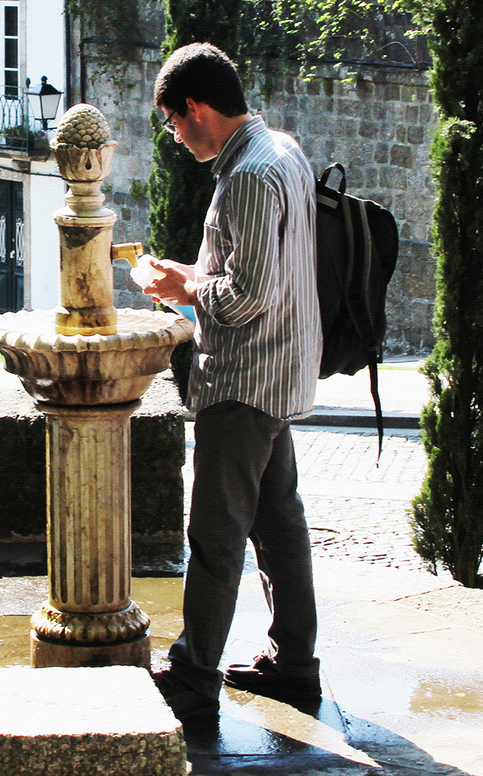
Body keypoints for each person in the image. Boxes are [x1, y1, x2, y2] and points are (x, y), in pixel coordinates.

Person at [140, 42, 323, 725]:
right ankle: (294, 665)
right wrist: (191, 277)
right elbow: (265, 273)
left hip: (244, 379)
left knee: (216, 535)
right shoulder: (284, 151)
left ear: (195, 108)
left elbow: (246, 296)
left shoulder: (246, 175)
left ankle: (192, 678)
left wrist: (183, 285)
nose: (175, 136)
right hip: (283, 369)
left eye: (173, 122)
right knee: (279, 526)